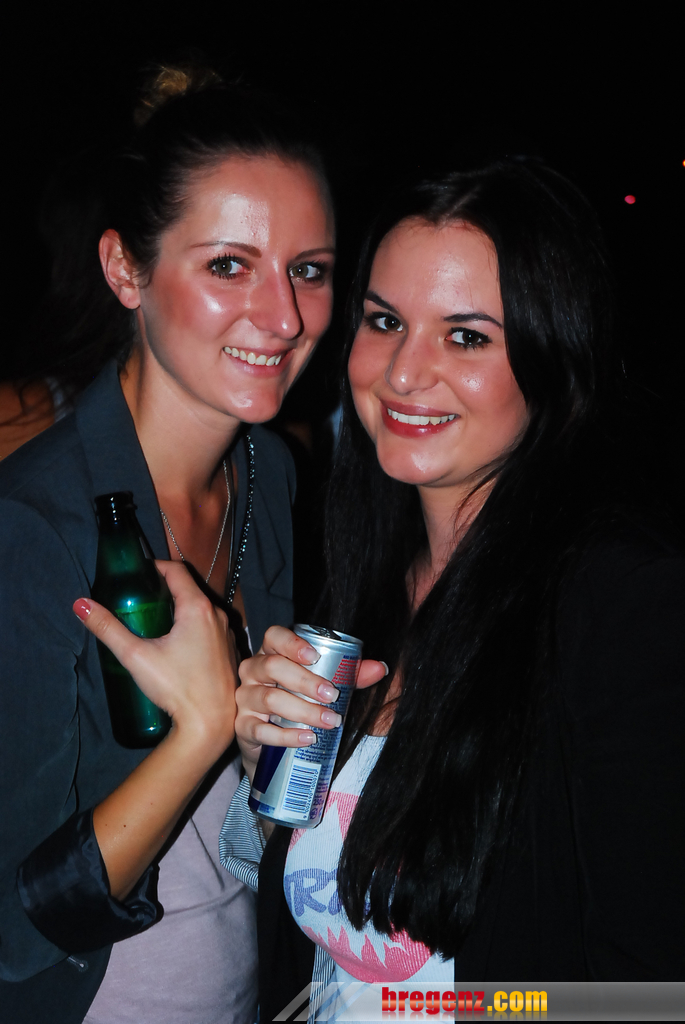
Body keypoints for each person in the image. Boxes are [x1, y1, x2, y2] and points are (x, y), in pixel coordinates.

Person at [223, 159, 685, 1015]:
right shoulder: (359, 585)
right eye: (384, 321)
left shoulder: (625, 605)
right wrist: (265, 764)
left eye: (466, 337)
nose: (403, 373)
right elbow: (317, 926)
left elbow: (649, 994)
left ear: (553, 357)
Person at [0, 65, 391, 1024]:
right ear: (125, 269)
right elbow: (16, 932)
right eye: (228, 265)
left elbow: (248, 820)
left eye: (308, 270)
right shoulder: (33, 527)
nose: (284, 317)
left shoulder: (267, 471)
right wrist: (204, 727)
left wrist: (306, 736)